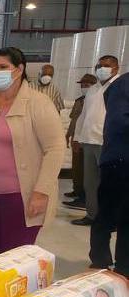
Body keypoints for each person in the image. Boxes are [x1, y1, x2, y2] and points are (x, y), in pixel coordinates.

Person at [0, 47, 65, 259]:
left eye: (3, 67)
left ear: (19, 69)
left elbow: (55, 149)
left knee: (13, 259)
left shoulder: (38, 103)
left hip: (20, 197)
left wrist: (41, 192)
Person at [71, 55, 120, 226]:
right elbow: (83, 116)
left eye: (106, 65)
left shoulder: (120, 87)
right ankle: (92, 215)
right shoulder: (93, 89)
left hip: (109, 143)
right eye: (99, 65)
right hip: (89, 141)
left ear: (116, 68)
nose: (102, 68)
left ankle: (110, 218)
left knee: (108, 183)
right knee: (90, 182)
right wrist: (77, 137)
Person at [89, 72, 129, 275]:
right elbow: (120, 123)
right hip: (119, 162)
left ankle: (124, 267)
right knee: (107, 214)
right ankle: (100, 261)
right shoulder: (123, 85)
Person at [63, 74, 98, 209]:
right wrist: (69, 135)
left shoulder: (95, 101)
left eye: (87, 85)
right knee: (77, 168)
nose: (84, 87)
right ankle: (78, 191)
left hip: (86, 140)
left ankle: (84, 197)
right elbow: (74, 121)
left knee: (85, 171)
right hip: (76, 138)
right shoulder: (79, 101)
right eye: (82, 85)